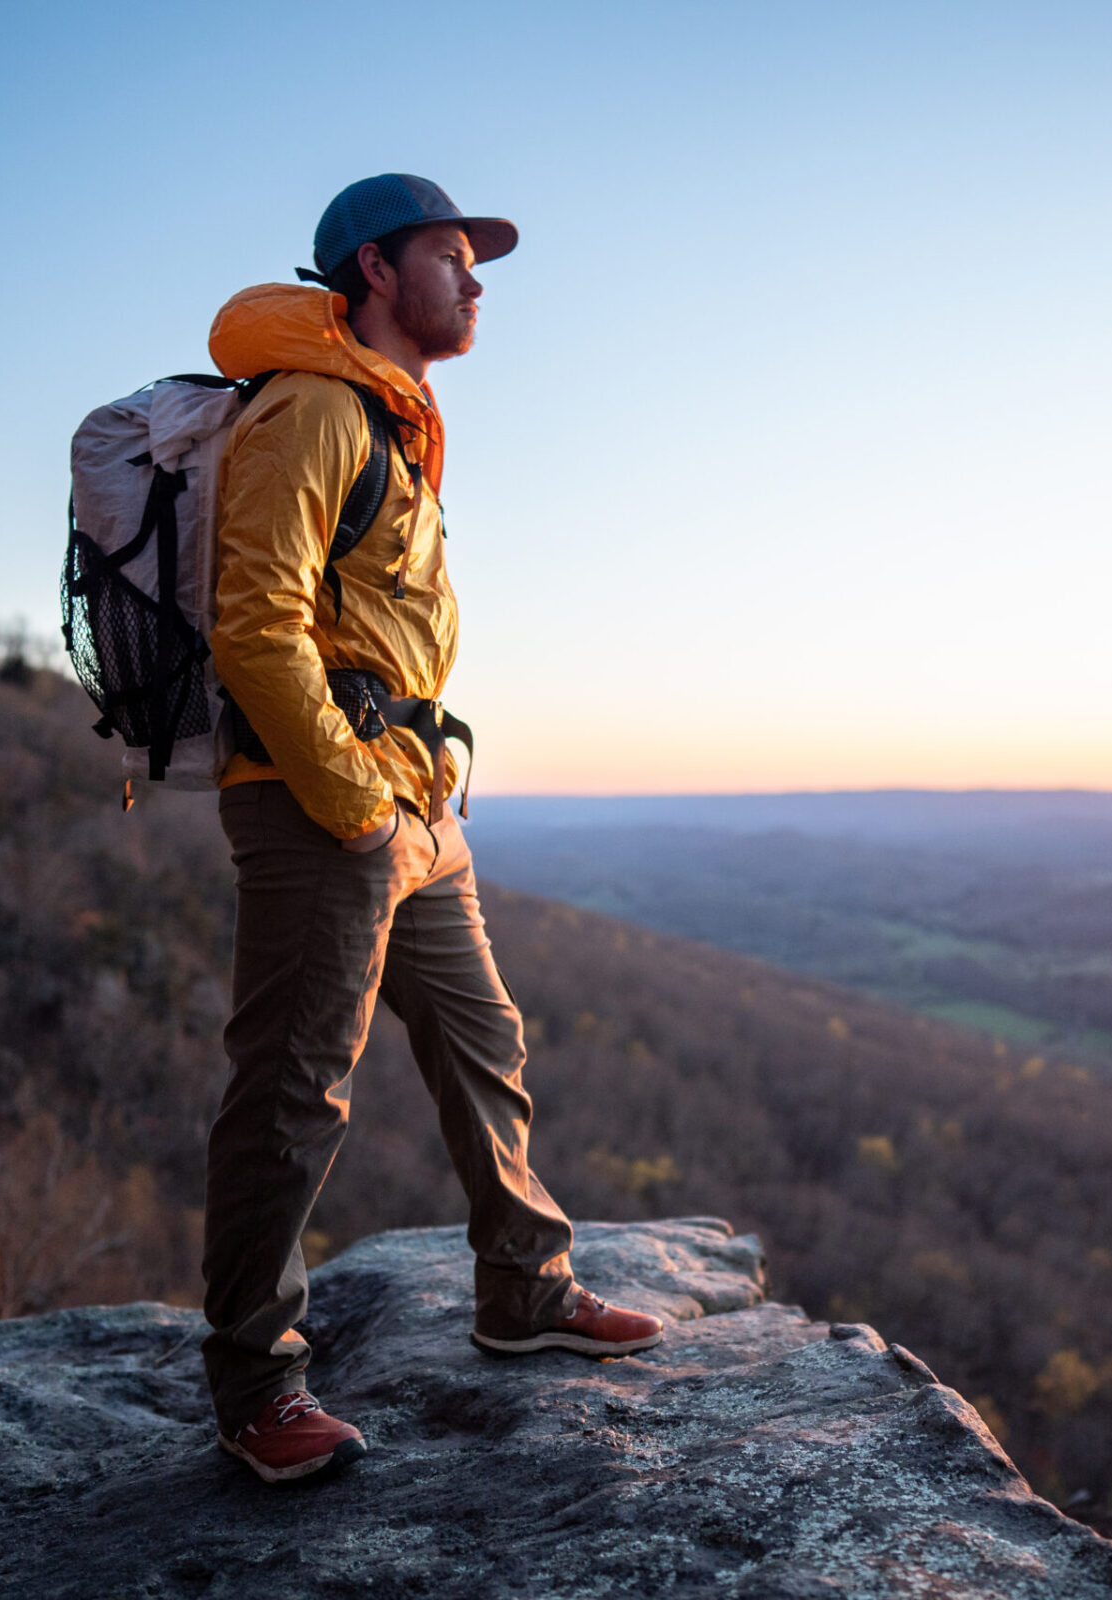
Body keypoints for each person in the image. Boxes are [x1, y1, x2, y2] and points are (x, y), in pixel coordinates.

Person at [200, 174, 663, 1484]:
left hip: (411, 802)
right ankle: (257, 1386)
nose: (475, 280)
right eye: (452, 256)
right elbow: (256, 623)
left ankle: (525, 1290)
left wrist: (406, 796)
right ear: (374, 267)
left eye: (477, 262)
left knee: (483, 1041)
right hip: (318, 803)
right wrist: (349, 797)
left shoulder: (397, 425)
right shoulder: (311, 408)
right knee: (294, 1089)